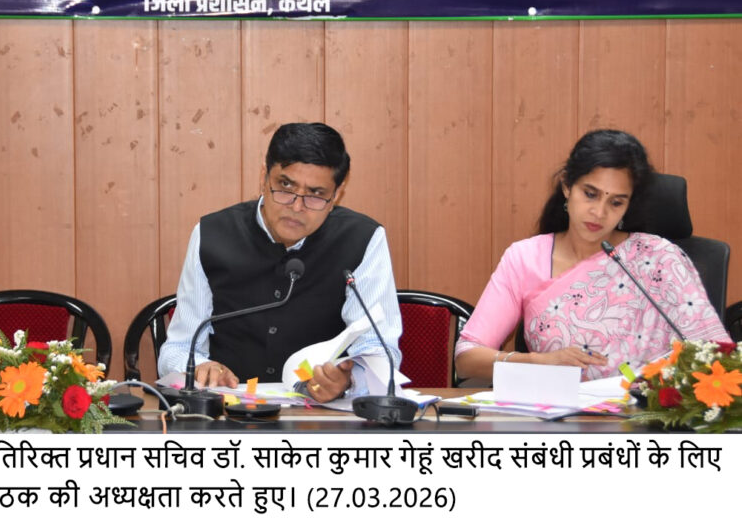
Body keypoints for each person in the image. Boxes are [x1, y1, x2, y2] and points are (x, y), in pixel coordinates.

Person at [455, 129, 729, 381]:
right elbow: (467, 358)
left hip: (649, 410)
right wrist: (537, 362)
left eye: (616, 202)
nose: (599, 212)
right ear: (567, 186)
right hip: (562, 412)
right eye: (590, 194)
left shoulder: (658, 257)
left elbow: (715, 355)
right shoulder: (524, 258)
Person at [157, 122, 402, 403]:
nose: (296, 207)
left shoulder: (363, 238)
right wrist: (201, 366)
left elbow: (380, 351)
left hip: (320, 413)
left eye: (316, 194)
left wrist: (349, 380)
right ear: (264, 176)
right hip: (229, 409)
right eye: (285, 186)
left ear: (337, 194)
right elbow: (177, 348)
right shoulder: (212, 233)